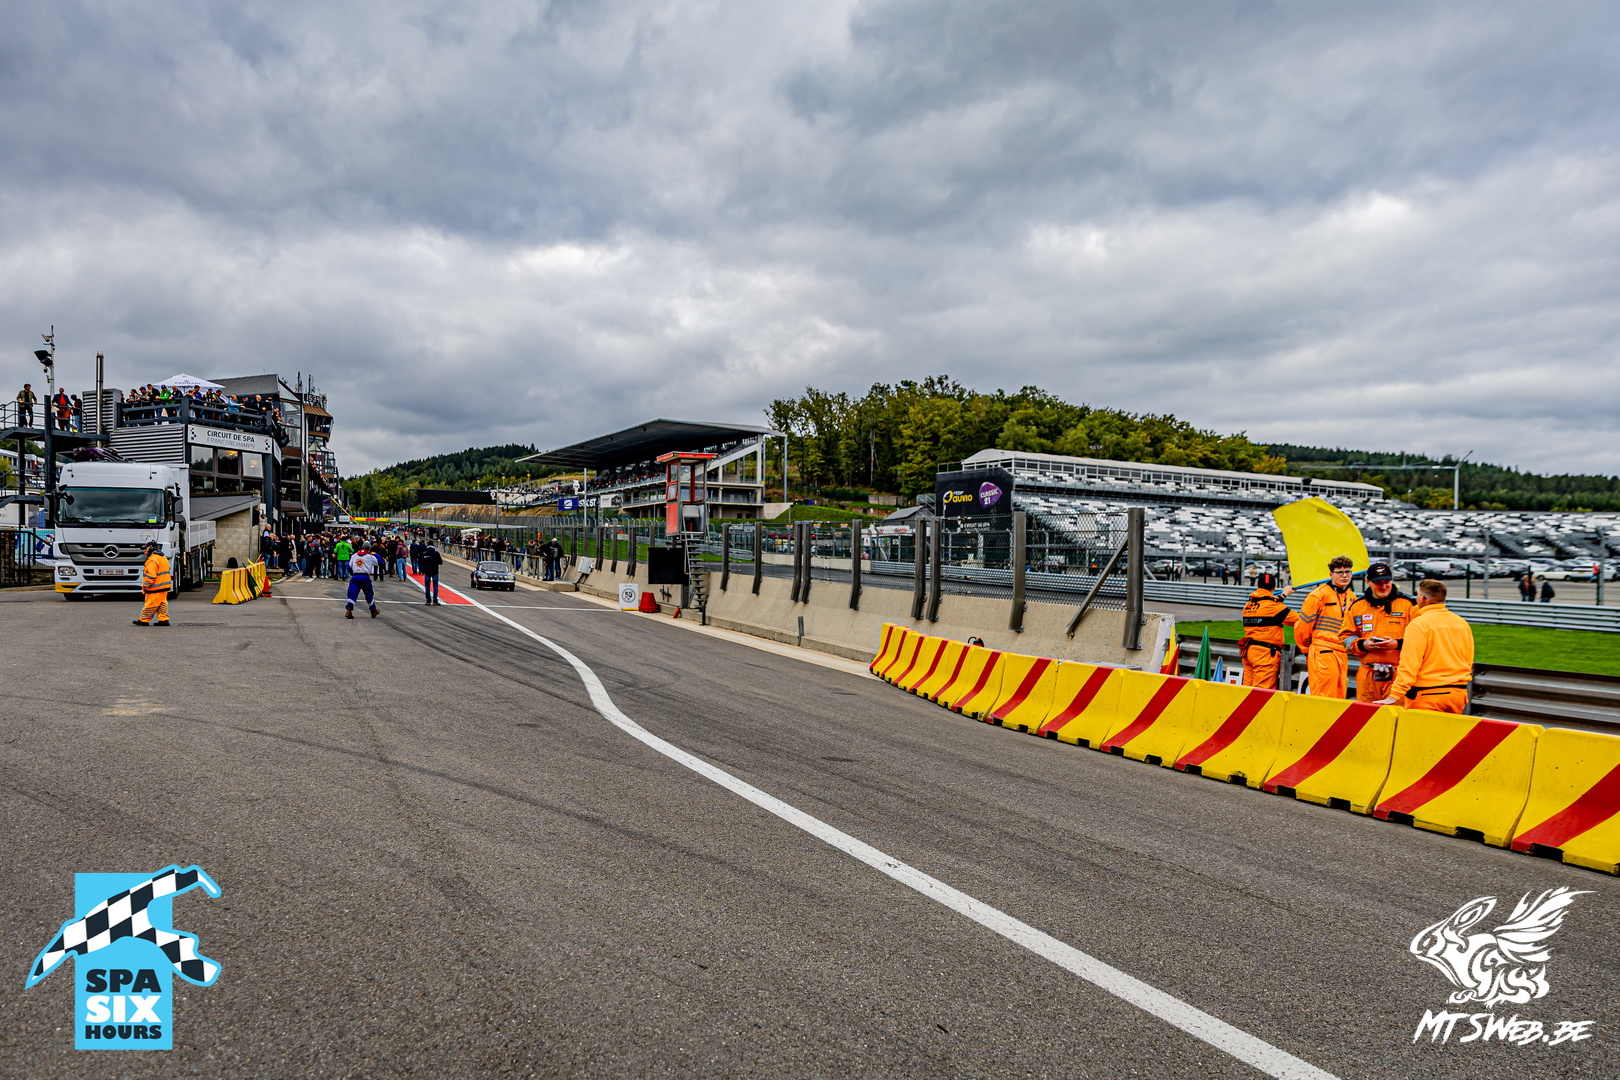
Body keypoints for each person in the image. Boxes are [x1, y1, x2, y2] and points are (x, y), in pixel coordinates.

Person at [1376, 579, 1474, 713]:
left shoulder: (1419, 624)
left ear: (1423, 598)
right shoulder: (1462, 623)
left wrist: (1395, 694)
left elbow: (1409, 663)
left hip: (1427, 695)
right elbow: (1468, 659)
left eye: (1417, 594)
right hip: (1458, 694)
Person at [1340, 561, 1417, 702]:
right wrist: (1363, 645)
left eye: (1387, 582)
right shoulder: (1357, 607)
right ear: (1368, 582)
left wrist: (1397, 644)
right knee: (1365, 714)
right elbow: (1344, 638)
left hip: (1399, 675)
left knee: (1396, 714)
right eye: (1378, 583)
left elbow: (1421, 639)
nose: (1383, 586)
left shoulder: (1409, 605)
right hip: (1367, 676)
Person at [1295, 554, 1356, 699]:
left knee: (1339, 696)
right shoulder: (1318, 595)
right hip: (1323, 649)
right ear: (1331, 574)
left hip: (1342, 652)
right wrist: (1306, 649)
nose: (1344, 575)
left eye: (1347, 572)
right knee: (1324, 694)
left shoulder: (1351, 596)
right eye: (1340, 572)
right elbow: (1303, 626)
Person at [1239, 571, 1297, 689]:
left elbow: (1269, 606)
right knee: (1262, 694)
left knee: (1246, 692)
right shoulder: (1275, 608)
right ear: (1274, 587)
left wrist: (1284, 595)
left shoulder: (1248, 605)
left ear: (1257, 586)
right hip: (1264, 656)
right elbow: (1301, 620)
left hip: (1249, 652)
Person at [133, 541, 172, 627]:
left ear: (151, 549)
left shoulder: (152, 560)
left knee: (151, 604)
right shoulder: (162, 557)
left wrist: (146, 585)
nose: (144, 550)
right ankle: (163, 619)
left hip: (155, 587)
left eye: (145, 549)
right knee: (162, 604)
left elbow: (151, 575)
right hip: (164, 586)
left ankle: (144, 620)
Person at [345, 545, 379, 619]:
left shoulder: (354, 556)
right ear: (369, 549)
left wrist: (353, 573)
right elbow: (380, 562)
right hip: (365, 577)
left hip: (355, 576)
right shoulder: (370, 557)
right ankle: (373, 610)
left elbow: (349, 567)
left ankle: (349, 609)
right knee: (368, 594)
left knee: (352, 593)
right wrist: (375, 554)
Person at [419, 541, 442, 605]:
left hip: (427, 571)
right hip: (435, 571)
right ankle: (435, 600)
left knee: (427, 586)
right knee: (435, 586)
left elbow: (422, 563)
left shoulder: (425, 553)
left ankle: (428, 600)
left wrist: (422, 570)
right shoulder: (436, 553)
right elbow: (440, 562)